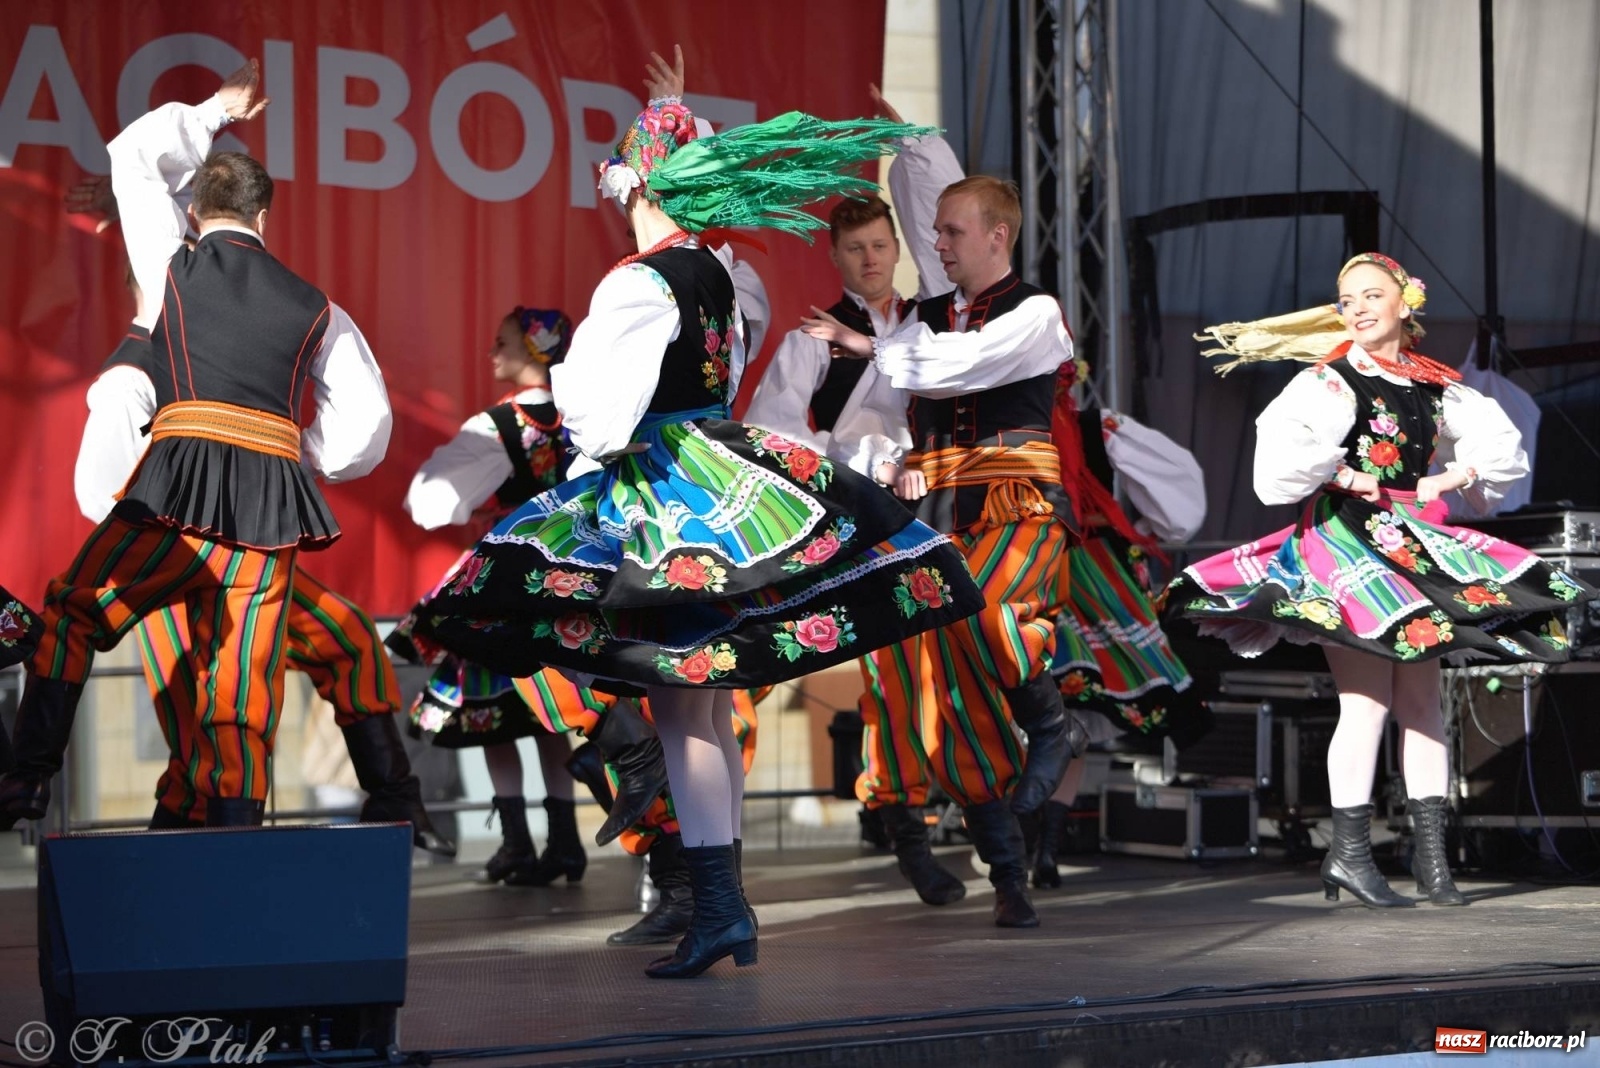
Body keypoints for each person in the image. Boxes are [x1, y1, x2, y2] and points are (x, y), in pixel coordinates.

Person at [417, 48, 983, 978]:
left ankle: (717, 905)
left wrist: (575, 402)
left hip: (664, 483)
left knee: (684, 707)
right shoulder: (719, 275)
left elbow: (598, 424)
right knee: (703, 709)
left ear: (638, 186)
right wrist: (674, 112)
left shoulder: (637, 282)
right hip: (714, 472)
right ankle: (720, 906)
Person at [0, 60, 392, 829]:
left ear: (197, 210)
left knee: (77, 612)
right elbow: (366, 427)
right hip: (270, 505)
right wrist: (296, 448)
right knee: (242, 674)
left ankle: (28, 778)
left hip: (175, 491)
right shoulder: (318, 307)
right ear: (266, 219)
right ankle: (239, 825)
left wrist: (217, 107)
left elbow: (133, 158)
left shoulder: (169, 266)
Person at [1171, 252, 1598, 907]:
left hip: (1412, 545)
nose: (1360, 308)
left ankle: (1432, 860)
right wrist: (1355, 477)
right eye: (1348, 299)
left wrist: (1450, 478)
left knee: (1423, 706)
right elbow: (1283, 459)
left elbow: (1502, 450)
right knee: (1365, 703)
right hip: (1348, 545)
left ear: (1405, 304)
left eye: (1372, 295)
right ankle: (1348, 854)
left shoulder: (1437, 386)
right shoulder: (1332, 381)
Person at [800, 97, 1087, 928]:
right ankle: (1007, 872)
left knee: (986, 611)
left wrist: (871, 346)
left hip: (1016, 501)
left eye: (953, 233)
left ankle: (1050, 722)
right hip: (941, 511)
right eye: (937, 232)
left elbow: (961, 367)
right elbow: (893, 408)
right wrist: (892, 458)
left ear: (997, 236)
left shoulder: (1033, 312)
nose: (938, 242)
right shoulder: (925, 317)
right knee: (946, 682)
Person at [63, 243, 447, 851]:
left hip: (242, 547)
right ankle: (178, 894)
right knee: (203, 746)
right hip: (170, 570)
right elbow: (99, 496)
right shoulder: (132, 377)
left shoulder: (202, 354)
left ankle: (396, 798)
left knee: (345, 636)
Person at [745, 194, 968, 909]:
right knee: (755, 654)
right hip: (845, 516)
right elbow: (772, 426)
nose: (870, 260)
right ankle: (668, 812)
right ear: (834, 256)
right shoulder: (814, 335)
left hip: (934, 514)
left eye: (879, 245)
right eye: (855, 250)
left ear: (898, 247)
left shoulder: (941, 324)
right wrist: (851, 467)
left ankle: (924, 835)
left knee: (913, 673)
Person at [394, 305, 609, 885]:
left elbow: (431, 504)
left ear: (533, 352)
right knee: (551, 714)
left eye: (502, 343)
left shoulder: (497, 425)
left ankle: (517, 843)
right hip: (575, 578)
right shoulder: (590, 418)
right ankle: (565, 842)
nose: (493, 354)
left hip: (506, 580)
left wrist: (492, 506)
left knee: (495, 714)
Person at [1030, 403, 1209, 887]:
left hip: (1028, 566)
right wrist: (1144, 532)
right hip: (1092, 568)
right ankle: (1042, 847)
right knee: (1075, 710)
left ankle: (1030, 841)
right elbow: (1180, 505)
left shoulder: (981, 418)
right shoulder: (1095, 425)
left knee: (1050, 704)